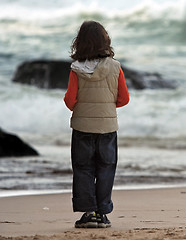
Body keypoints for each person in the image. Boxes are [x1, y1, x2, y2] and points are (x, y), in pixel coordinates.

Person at [64, 20, 129, 228]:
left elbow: (70, 101)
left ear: (80, 43)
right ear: (105, 41)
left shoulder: (76, 69)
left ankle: (88, 213)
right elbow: (124, 99)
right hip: (107, 128)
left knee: (83, 168)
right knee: (106, 168)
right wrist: (107, 109)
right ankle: (103, 214)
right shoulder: (116, 67)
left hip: (82, 127)